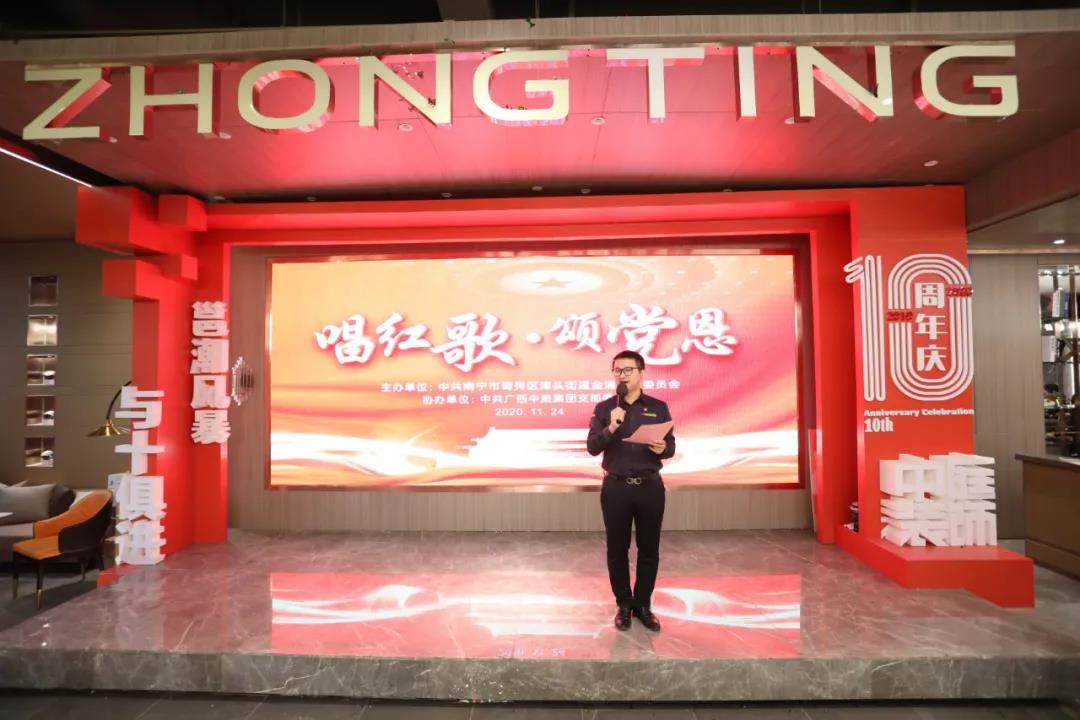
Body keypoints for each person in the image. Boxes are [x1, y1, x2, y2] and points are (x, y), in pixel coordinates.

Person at [586, 350, 675, 632]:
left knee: (649, 549)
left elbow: (671, 447)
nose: (622, 375)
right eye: (617, 371)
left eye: (627, 370)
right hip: (616, 488)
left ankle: (643, 604)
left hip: (650, 487)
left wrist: (663, 448)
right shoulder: (605, 409)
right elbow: (592, 447)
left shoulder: (658, 407)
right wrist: (611, 427)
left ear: (641, 372)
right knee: (617, 549)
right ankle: (624, 604)